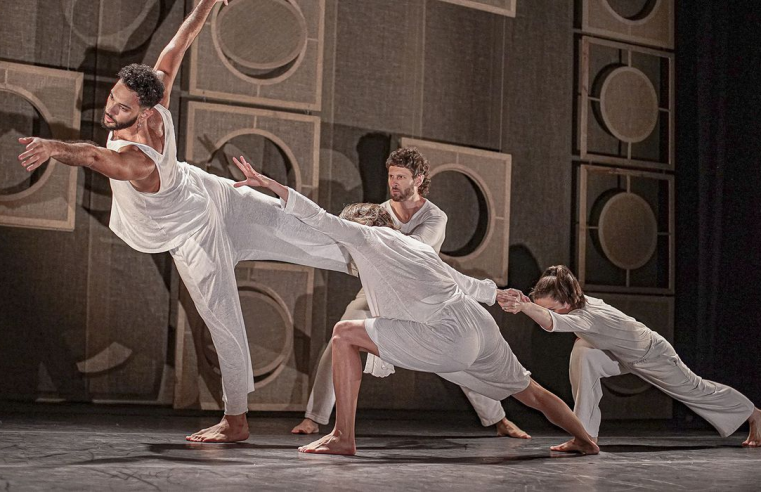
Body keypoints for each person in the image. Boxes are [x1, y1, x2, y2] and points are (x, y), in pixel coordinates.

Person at [16, 0, 354, 443]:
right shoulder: (152, 97)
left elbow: (94, 155)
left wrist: (55, 147)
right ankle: (236, 419)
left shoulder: (136, 158)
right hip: (197, 211)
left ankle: (378, 258)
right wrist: (206, 3)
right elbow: (177, 43)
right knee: (223, 318)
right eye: (112, 100)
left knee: (303, 235)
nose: (109, 111)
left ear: (147, 110)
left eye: (120, 108)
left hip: (201, 213)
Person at [232, 156, 600, 456]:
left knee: (344, 334)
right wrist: (498, 294)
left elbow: (315, 216)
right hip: (478, 323)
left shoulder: (368, 236)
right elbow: (462, 281)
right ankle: (585, 440)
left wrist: (270, 185)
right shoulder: (419, 246)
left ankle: (343, 436)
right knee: (530, 390)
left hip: (445, 335)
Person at [291, 148, 528, 439]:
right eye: (391, 176)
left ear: (418, 179)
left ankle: (497, 418)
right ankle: (314, 417)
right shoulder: (380, 211)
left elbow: (411, 251)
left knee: (457, 360)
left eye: (401, 176)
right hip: (376, 293)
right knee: (339, 338)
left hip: (420, 298)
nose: (394, 182)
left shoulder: (435, 217)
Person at [498, 265, 761, 450]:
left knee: (696, 390)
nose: (550, 312)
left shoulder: (586, 313)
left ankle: (754, 414)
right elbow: (548, 314)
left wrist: (526, 308)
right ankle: (585, 436)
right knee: (584, 355)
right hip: (619, 355)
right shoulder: (576, 302)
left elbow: (549, 322)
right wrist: (525, 302)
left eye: (553, 307)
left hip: (652, 355)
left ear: (565, 302)